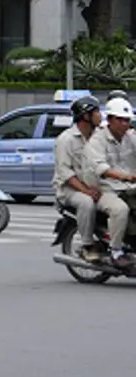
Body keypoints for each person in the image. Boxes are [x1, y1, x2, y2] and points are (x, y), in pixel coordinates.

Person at [54, 96, 108, 262]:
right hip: (69, 189)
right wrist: (86, 191)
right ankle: (87, 246)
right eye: (96, 112)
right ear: (85, 116)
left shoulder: (100, 136)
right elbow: (64, 172)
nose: (100, 115)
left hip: (95, 185)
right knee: (87, 202)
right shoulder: (66, 139)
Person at [85, 96, 136, 268]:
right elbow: (102, 169)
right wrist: (125, 176)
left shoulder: (131, 137)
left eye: (127, 120)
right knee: (120, 210)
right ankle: (116, 251)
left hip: (129, 187)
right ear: (110, 119)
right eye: (120, 119)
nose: (124, 124)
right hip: (105, 189)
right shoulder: (97, 140)